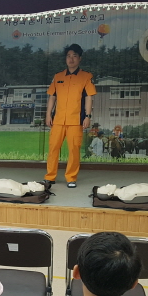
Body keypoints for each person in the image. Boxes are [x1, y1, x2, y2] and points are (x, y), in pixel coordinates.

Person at [45, 44, 96, 189]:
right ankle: (50, 177)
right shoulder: (58, 77)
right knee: (53, 148)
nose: (71, 59)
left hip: (75, 120)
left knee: (74, 150)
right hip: (58, 120)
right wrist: (48, 114)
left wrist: (87, 116)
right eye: (68, 56)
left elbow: (89, 97)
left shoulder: (86, 77)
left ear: (80, 58)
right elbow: (52, 97)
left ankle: (71, 178)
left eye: (74, 56)